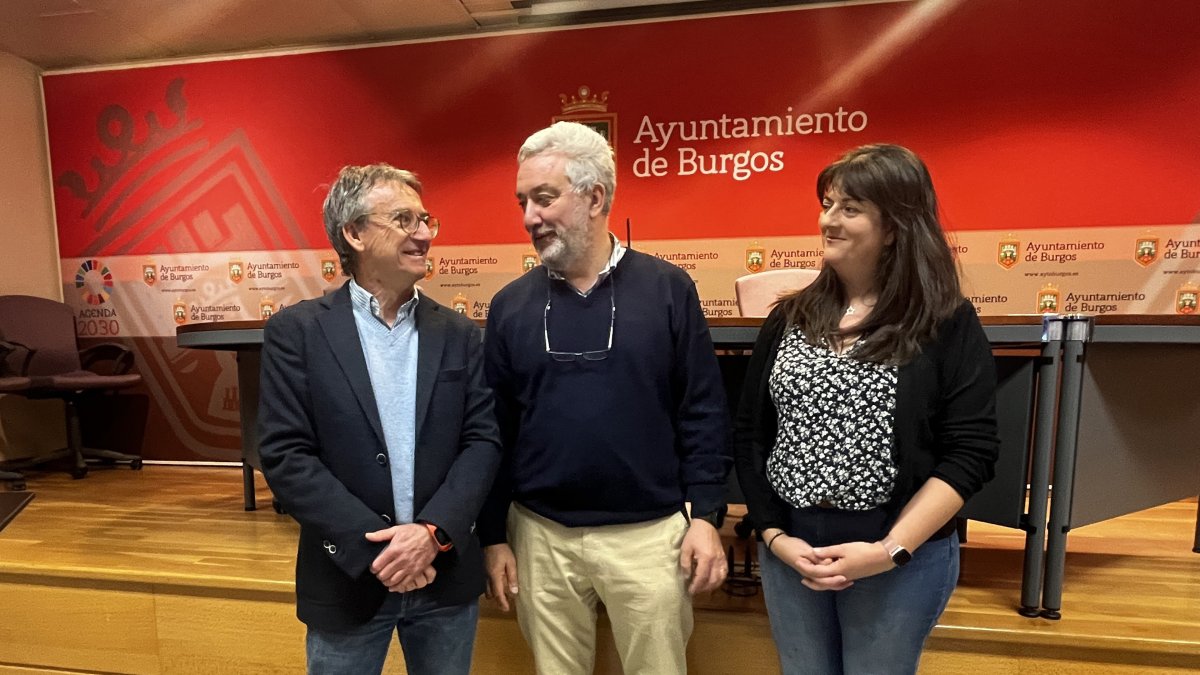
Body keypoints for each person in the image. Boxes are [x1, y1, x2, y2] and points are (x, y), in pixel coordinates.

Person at [734, 144, 1000, 675]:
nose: (828, 220)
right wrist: (775, 537)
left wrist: (887, 551)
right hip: (792, 555)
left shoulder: (945, 321)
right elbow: (751, 435)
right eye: (827, 204)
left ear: (897, 227)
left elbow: (971, 453)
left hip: (899, 560)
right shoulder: (789, 317)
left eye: (849, 208)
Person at [479, 121, 732, 675]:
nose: (529, 217)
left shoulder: (668, 289)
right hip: (539, 537)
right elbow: (493, 430)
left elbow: (703, 411)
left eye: (544, 198)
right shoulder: (509, 306)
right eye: (523, 201)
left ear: (595, 197)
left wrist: (707, 516)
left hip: (650, 539)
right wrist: (493, 535)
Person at [257, 163, 502, 675]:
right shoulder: (296, 332)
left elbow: (483, 442)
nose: (424, 233)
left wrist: (431, 534)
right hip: (347, 577)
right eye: (405, 219)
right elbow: (285, 453)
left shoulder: (459, 332)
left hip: (445, 573)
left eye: (426, 219)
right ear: (355, 233)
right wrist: (381, 551)